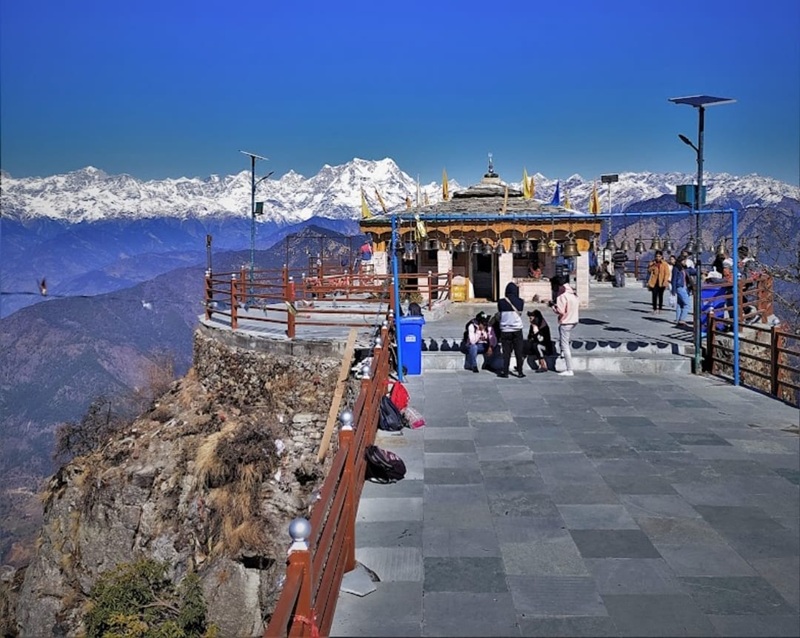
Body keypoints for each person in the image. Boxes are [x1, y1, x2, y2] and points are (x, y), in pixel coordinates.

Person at [550, 279, 579, 376]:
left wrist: (553, 307)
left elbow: (561, 311)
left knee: (565, 345)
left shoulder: (562, 296)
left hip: (566, 321)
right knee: (564, 339)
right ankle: (562, 351)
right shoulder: (572, 294)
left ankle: (569, 369)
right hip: (574, 320)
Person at [497, 282, 525, 378]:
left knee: (506, 353)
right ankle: (520, 372)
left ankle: (505, 372)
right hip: (517, 330)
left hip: (505, 330)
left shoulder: (501, 302)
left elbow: (500, 312)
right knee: (519, 352)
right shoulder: (521, 302)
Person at [671, 253, 697, 327]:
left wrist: (699, 269)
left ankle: (678, 319)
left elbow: (692, 272)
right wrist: (673, 290)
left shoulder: (684, 268)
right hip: (680, 287)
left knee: (680, 304)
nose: (685, 262)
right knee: (687, 304)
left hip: (685, 287)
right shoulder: (676, 268)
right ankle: (682, 320)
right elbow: (674, 279)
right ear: (681, 261)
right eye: (684, 261)